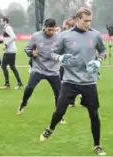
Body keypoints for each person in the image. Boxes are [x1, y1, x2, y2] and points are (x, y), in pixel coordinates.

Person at [39, 7, 106, 156]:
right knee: (59, 111)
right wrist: (60, 58)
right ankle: (50, 129)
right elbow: (52, 53)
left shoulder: (95, 35)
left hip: (89, 82)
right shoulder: (64, 36)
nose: (88, 24)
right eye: (85, 20)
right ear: (77, 19)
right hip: (70, 81)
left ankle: (97, 145)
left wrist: (99, 61)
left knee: (94, 114)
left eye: (90, 21)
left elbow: (103, 51)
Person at [18, 18, 66, 124]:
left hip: (53, 70)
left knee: (59, 93)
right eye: (49, 30)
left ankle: (59, 115)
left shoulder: (59, 37)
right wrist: (32, 54)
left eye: (53, 30)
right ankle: (24, 103)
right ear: (44, 28)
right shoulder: (36, 36)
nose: (51, 32)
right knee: (29, 87)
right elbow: (27, 49)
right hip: (38, 68)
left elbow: (64, 50)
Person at [0, 17, 23, 90]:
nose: (0, 22)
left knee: (4, 66)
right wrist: (1, 41)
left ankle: (7, 84)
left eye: (1, 21)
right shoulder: (6, 28)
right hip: (10, 51)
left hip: (10, 51)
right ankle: (19, 83)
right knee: (12, 67)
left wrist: (6, 44)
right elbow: (8, 38)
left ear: (5, 21)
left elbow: (14, 37)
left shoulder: (8, 28)